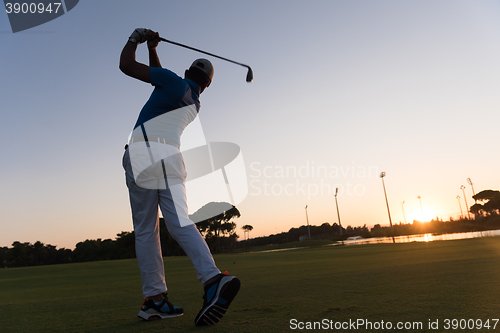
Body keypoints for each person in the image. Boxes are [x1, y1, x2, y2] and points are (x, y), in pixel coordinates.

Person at [119, 28, 240, 326]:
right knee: (180, 222)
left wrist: (135, 38)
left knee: (147, 231)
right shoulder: (193, 101)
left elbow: (125, 65)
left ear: (186, 71)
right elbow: (158, 75)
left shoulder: (172, 80)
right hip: (172, 157)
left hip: (142, 153)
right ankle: (212, 279)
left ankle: (155, 298)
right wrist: (152, 48)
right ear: (207, 85)